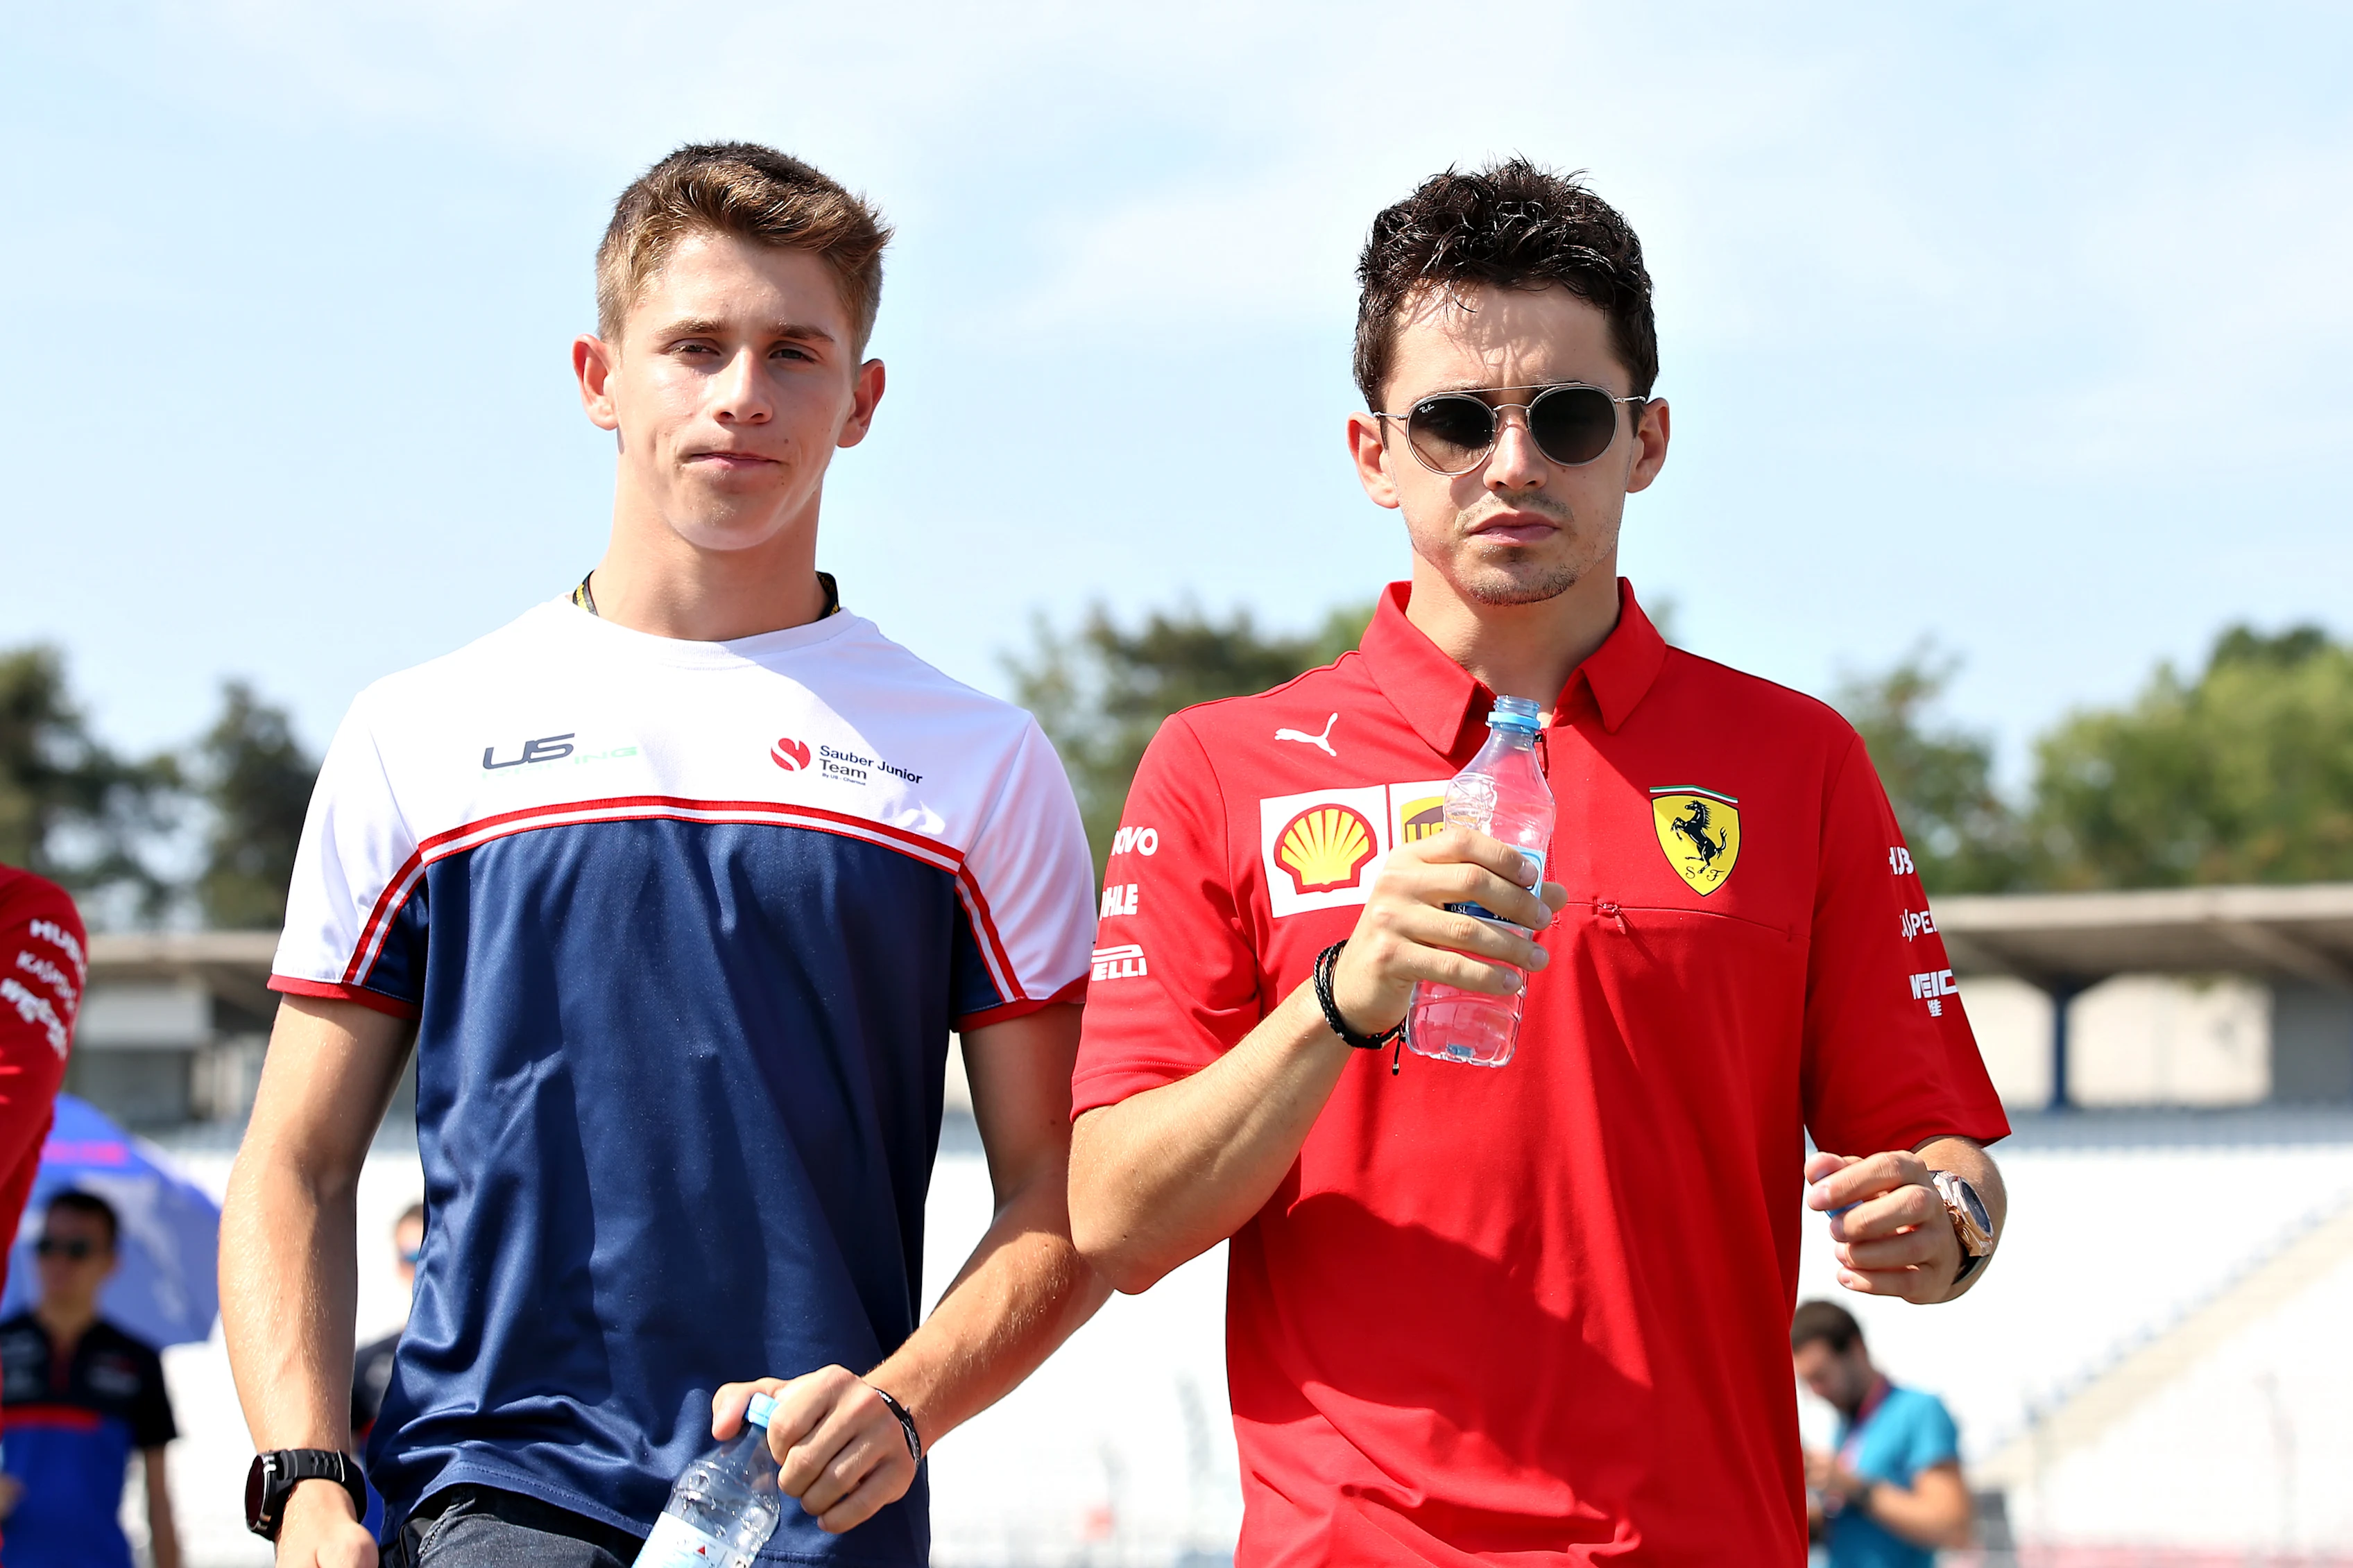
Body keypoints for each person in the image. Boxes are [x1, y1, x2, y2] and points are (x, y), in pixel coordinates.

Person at [1066, 159, 2012, 1564]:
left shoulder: (1797, 760)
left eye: (1565, 417)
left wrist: (1946, 1221)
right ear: (1372, 454)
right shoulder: (1219, 763)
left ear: (1646, 440)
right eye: (1455, 420)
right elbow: (1114, 1219)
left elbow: (1941, 1153)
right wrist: (1336, 1002)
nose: (1511, 463)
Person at [222, 141, 1104, 1568]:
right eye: (695, 346)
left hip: (819, 1511)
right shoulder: (418, 731)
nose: (741, 392)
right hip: (494, 1492)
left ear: (863, 399)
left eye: (794, 352)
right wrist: (308, 1476)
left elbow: (1063, 1194)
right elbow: (297, 1161)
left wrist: (906, 1400)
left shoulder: (980, 762)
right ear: (599, 377)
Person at [0, 1191, 182, 1568]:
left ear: (111, 1261)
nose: (59, 1261)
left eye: (77, 1249)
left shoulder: (138, 1360)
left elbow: (159, 1497)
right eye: (47, 1246)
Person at [1791, 1301, 1974, 1562]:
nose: (1816, 1392)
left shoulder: (1918, 1410)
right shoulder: (1846, 1429)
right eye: (1807, 1382)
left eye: (1821, 1376)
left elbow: (1952, 1527)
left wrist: (1853, 1487)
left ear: (1856, 1349)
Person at [350, 1202, 425, 1450]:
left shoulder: (487, 1360)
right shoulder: (364, 1366)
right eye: (413, 1257)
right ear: (400, 1266)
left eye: (429, 1255)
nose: (423, 1269)